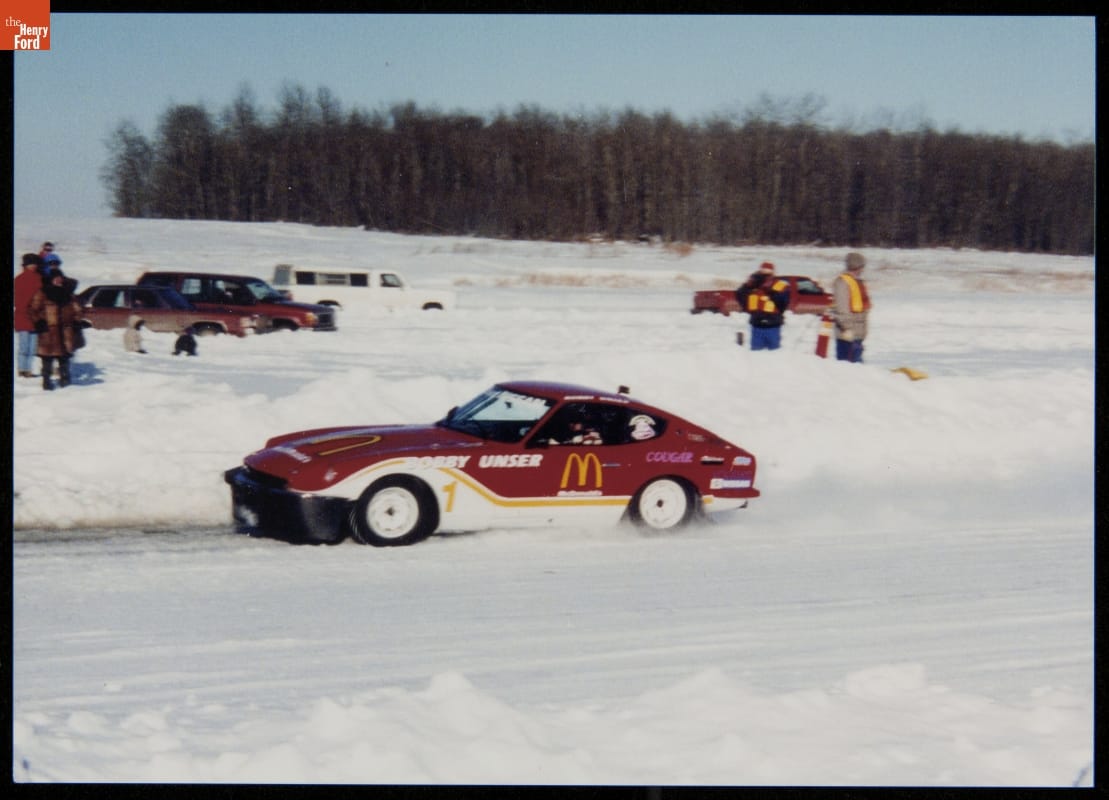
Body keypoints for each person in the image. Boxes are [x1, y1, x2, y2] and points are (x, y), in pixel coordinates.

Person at [28, 268, 84, 390]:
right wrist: (39, 322)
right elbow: (32, 310)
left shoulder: (68, 293)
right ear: (51, 280)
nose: (58, 280)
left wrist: (76, 321)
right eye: (56, 278)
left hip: (66, 332)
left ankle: (65, 382)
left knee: (64, 358)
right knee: (47, 360)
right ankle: (46, 381)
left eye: (60, 278)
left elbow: (78, 310)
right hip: (48, 332)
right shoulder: (42, 293)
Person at [735, 261, 790, 350]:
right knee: (756, 353)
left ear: (773, 272)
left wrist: (771, 294)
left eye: (768, 271)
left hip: (773, 324)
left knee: (774, 353)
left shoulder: (779, 285)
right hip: (757, 324)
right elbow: (740, 295)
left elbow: (783, 303)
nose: (766, 274)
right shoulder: (752, 285)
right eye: (763, 271)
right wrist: (748, 285)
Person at [832, 251, 871, 363]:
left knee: (856, 366)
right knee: (847, 367)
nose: (862, 269)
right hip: (848, 334)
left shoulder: (858, 282)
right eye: (862, 266)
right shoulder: (842, 282)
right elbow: (842, 308)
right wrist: (847, 328)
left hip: (857, 334)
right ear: (857, 266)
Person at [14, 253, 43, 377]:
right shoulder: (19, 279)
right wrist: (26, 308)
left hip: (36, 317)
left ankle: (28, 370)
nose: (33, 266)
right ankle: (22, 368)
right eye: (31, 264)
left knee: (33, 347)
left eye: (35, 264)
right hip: (23, 316)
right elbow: (17, 299)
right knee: (24, 346)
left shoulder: (40, 278)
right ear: (26, 265)